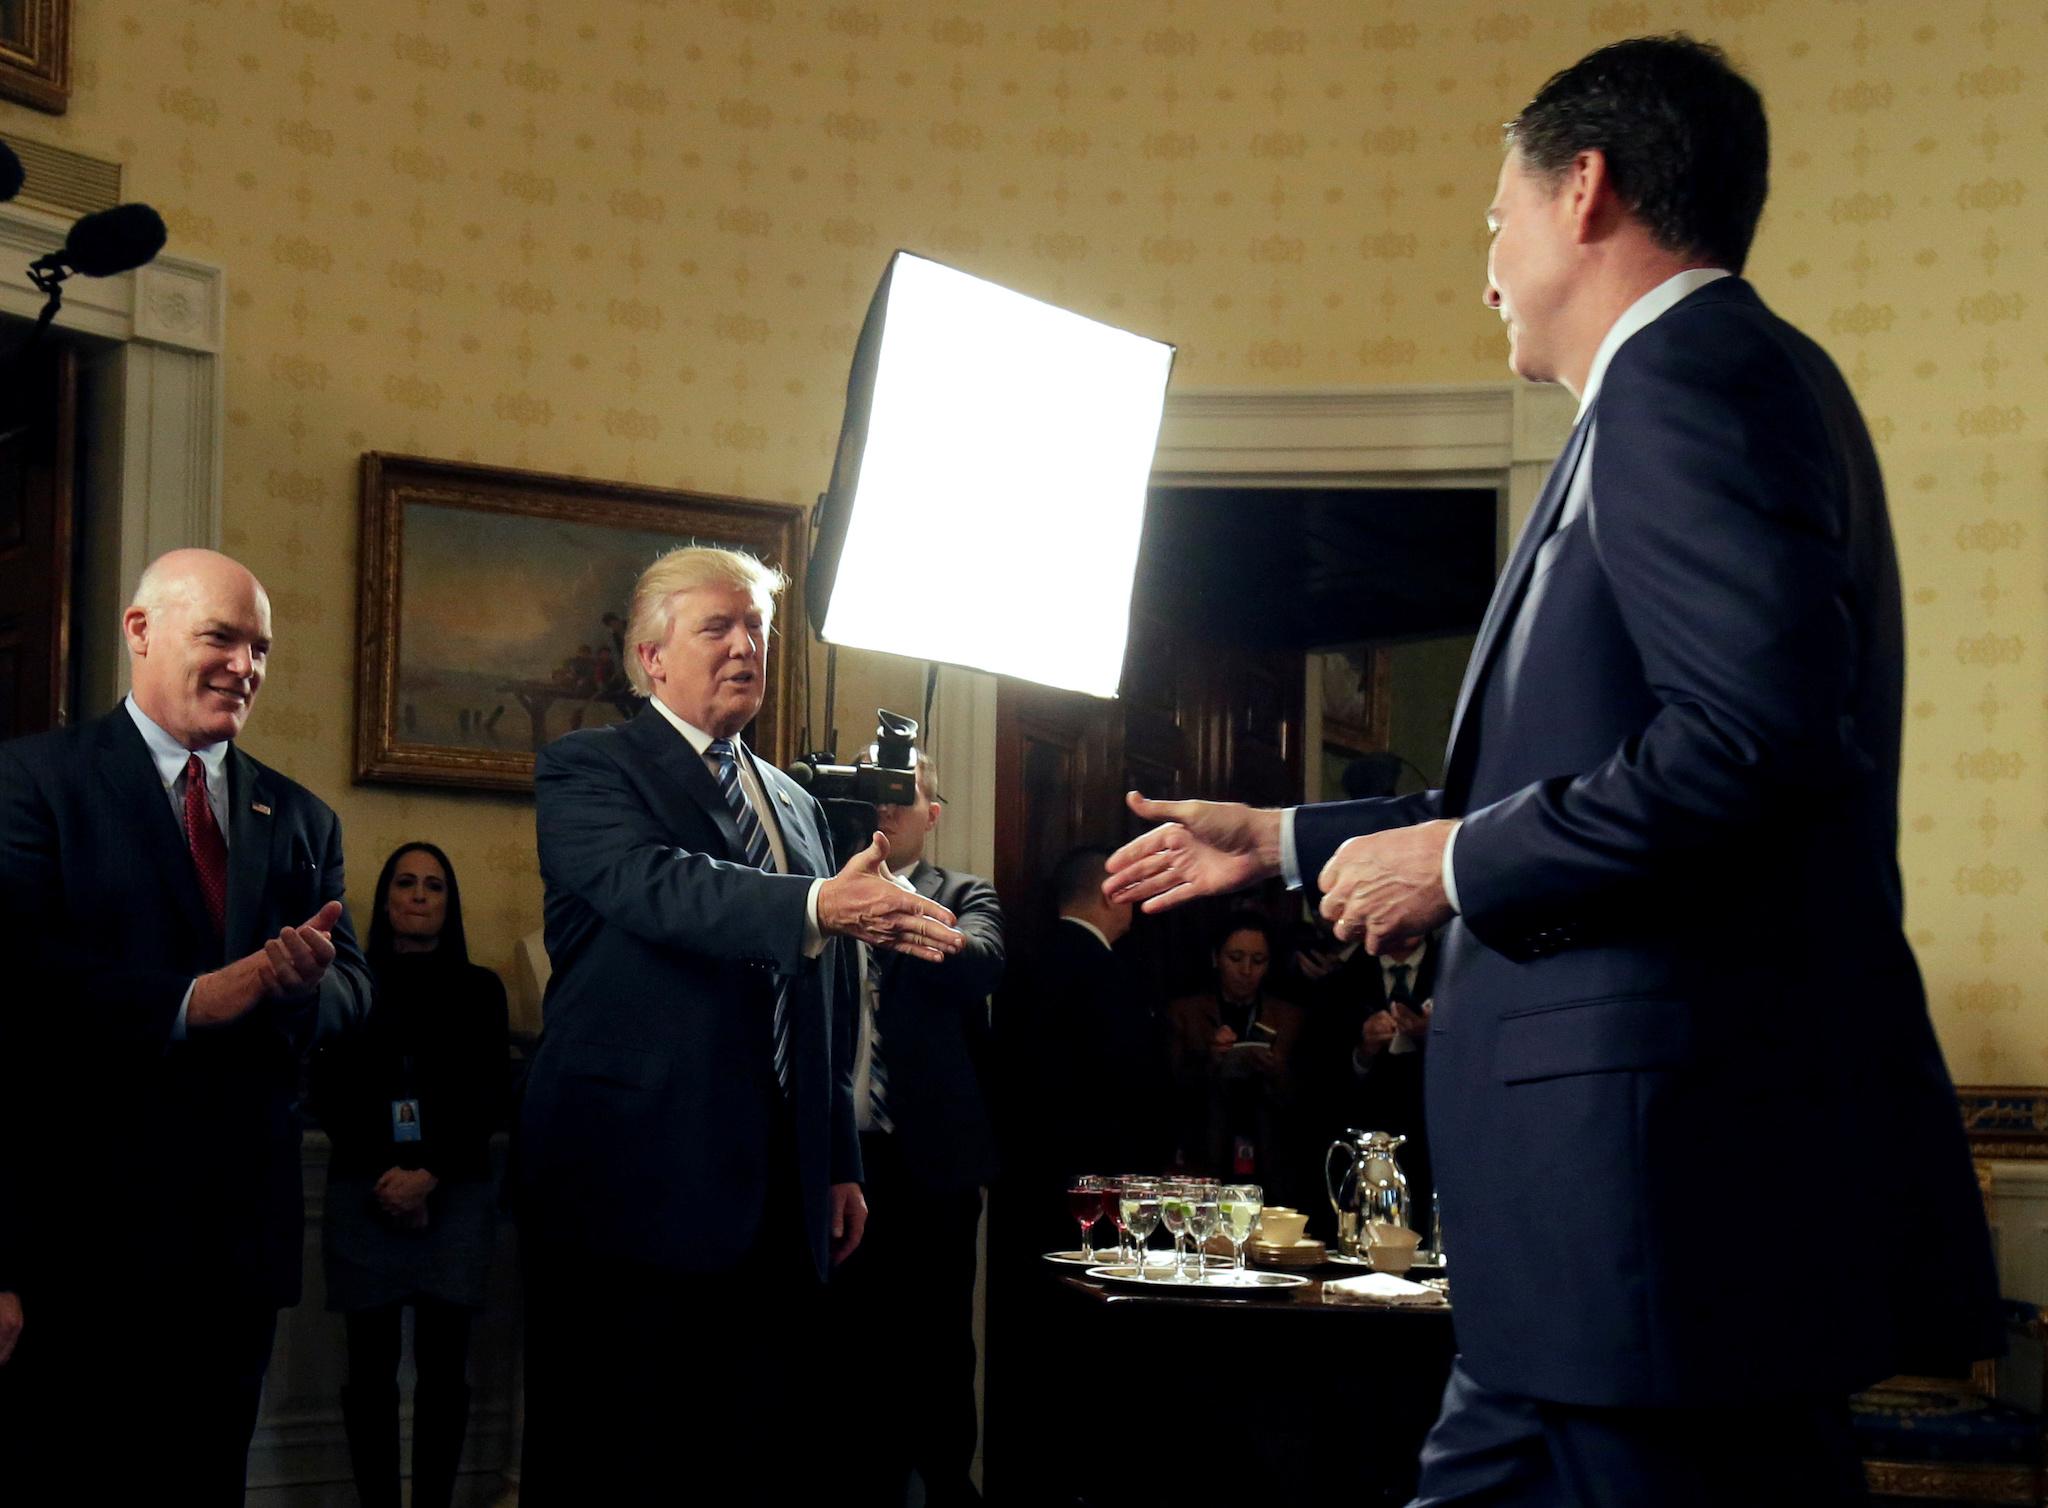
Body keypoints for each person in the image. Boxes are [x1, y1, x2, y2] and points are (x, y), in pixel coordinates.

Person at [1104, 37, 1997, 1507]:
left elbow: (1750, 746)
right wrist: (1281, 835)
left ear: (1585, 188)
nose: (1488, 270)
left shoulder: (1689, 381)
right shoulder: (1713, 386)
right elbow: (1575, 768)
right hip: (1590, 1246)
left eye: (1493, 220)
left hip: (1653, 1210)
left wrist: (1449, 865)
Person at [514, 545, 965, 1503]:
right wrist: (816, 907)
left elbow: (824, 993)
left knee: (759, 1455)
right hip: (631, 1178)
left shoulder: (796, 801)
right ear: (650, 658)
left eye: (754, 628)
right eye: (715, 627)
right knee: (623, 1458)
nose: (742, 647)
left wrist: (837, 1157)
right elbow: (660, 888)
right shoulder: (588, 770)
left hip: (778, 1191)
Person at [0, 548, 372, 1498]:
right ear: (140, 631)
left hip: (232, 1251)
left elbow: (354, 989)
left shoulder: (301, 819)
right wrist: (192, 1001)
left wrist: (298, 985)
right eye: (221, 637)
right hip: (77, 1244)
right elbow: (22, 982)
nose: (245, 666)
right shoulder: (32, 783)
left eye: (261, 648)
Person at [312, 842, 509, 1508]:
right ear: (387, 896)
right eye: (405, 883)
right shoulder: (348, 978)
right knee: (368, 1372)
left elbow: (487, 1094)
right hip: (363, 1192)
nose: (419, 895)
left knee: (444, 1371)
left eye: (433, 886)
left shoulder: (480, 987)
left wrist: (428, 1176)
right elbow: (330, 1090)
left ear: (449, 905)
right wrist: (391, 1180)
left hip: (454, 1195)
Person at [831, 751, 1004, 1507]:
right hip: (839, 1160)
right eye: (874, 788)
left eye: (906, 793)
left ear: (933, 814)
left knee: (937, 1349)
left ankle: (942, 1491)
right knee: (844, 1348)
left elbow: (982, 962)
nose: (886, 803)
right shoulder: (820, 891)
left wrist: (900, 913)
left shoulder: (964, 893)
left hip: (930, 1164)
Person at [1292, 915, 1438, 1236]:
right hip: (1361, 1148)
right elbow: (1315, 1081)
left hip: (1435, 1149)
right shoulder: (1340, 981)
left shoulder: (1455, 976)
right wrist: (1363, 1052)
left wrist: (1435, 1038)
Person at [1164, 911, 1301, 1185]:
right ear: (1216, 958)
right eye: (1235, 959)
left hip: (1269, 1157)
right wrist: (1211, 1058)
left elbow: (1307, 1097)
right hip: (1204, 1154)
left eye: (1258, 960)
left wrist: (1276, 1070)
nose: (1247, 971)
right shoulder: (1185, 1013)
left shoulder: (1288, 1017)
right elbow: (1167, 1089)